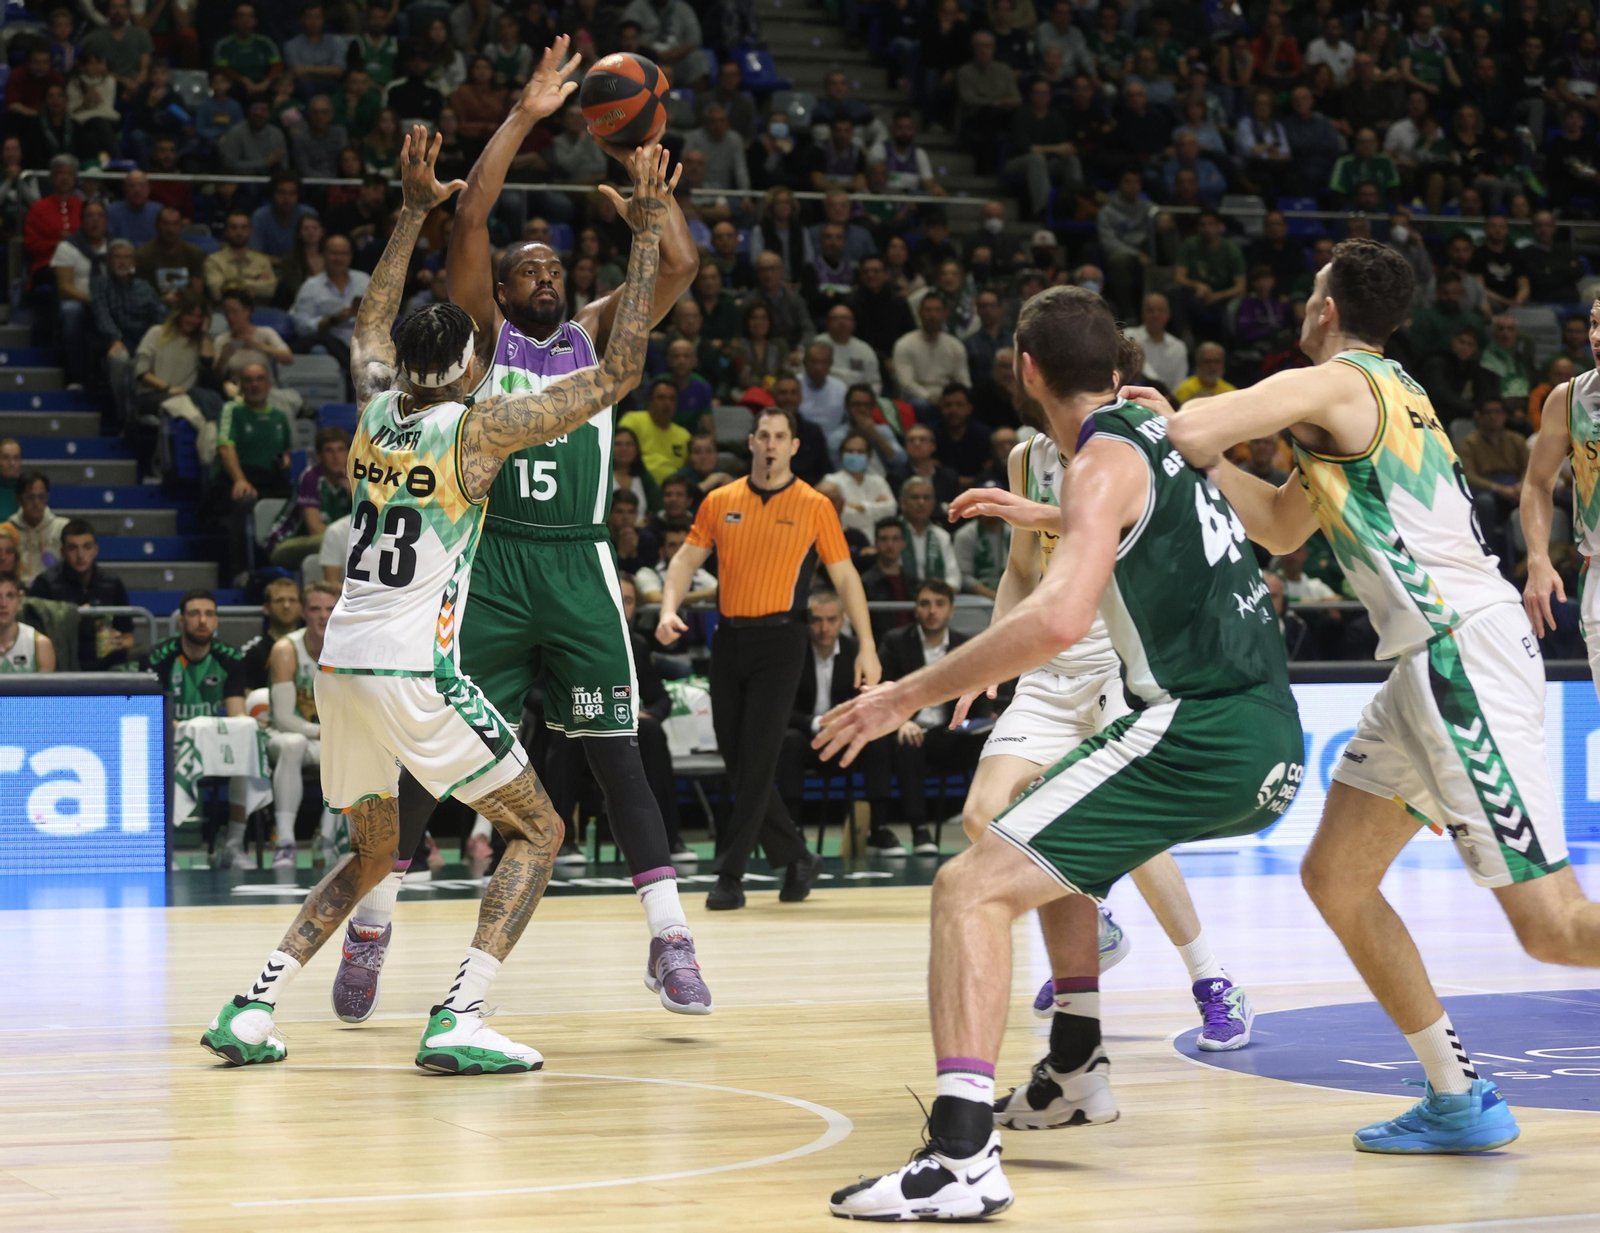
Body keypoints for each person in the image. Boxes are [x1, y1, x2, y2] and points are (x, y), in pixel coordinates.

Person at [816, 287, 1303, 1219]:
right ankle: (1077, 1060)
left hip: (1200, 723)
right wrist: (1038, 518)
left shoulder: (1097, 459)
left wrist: (903, 694)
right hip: (1264, 724)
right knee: (1052, 846)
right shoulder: (1163, 432)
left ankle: (961, 1155)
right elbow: (1162, 523)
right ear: (1117, 368)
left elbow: (1061, 614)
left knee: (968, 885)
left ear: (1024, 370)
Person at [201, 124, 678, 1072]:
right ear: (466, 364)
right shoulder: (481, 431)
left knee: (375, 848)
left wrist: (413, 211)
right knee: (539, 828)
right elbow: (620, 371)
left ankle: (251, 1005)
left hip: (340, 666)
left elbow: (370, 320)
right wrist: (647, 233)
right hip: (417, 669)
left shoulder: (373, 406)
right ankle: (460, 1012)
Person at [1157, 238, 1600, 1156]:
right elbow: (1280, 528)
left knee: (1553, 929)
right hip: (1422, 669)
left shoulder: (1337, 382)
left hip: (1462, 658)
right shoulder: (1378, 396)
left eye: (1309, 294)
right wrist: (1201, 458)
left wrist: (1160, 413)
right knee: (1335, 876)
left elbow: (1194, 432)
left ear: (1326, 311)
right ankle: (1457, 1095)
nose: (1303, 307)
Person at [337, 47, 712, 1019]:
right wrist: (524, 114)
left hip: (579, 562)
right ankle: (374, 920)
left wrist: (649, 182)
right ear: (500, 295)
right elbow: (469, 217)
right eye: (524, 268)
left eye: (553, 264)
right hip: (492, 561)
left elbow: (678, 264)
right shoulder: (481, 345)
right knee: (433, 761)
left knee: (612, 746)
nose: (541, 272)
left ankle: (669, 937)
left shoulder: (595, 335)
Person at [657, 405, 881, 909]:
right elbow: (683, 561)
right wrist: (669, 608)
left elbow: (845, 578)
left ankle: (730, 875)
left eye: (781, 436)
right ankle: (797, 855)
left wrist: (866, 645)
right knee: (738, 759)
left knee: (757, 757)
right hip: (729, 640)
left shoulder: (814, 504)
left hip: (783, 641)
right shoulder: (720, 500)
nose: (772, 444)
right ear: (752, 442)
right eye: (764, 435)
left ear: (794, 446)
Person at [779, 589, 898, 852]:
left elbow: (867, 698)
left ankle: (878, 828)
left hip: (847, 734)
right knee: (789, 742)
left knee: (877, 741)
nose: (824, 628)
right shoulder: (791, 652)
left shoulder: (857, 651)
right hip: (806, 735)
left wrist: (843, 724)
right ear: (806, 621)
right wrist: (815, 722)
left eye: (831, 620)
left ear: (843, 620)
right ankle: (793, 829)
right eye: (816, 620)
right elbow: (781, 706)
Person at [142, 590, 253, 867]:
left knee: (246, 749)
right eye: (194, 614)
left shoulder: (230, 658)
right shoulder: (157, 658)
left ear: (216, 620)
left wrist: (205, 731)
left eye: (209, 614)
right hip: (169, 741)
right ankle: (166, 846)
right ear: (181, 621)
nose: (202, 621)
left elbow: (237, 715)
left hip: (214, 741)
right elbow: (152, 715)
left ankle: (234, 843)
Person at [1524, 305, 1600, 683]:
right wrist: (1538, 559)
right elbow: (1538, 483)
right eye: (1594, 323)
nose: (1596, 336)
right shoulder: (1568, 399)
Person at [262, 582, 342, 869]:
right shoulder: (286, 649)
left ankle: (328, 837)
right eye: (315, 608)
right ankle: (285, 842)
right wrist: (322, 732)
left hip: (330, 741)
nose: (323, 616)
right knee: (293, 745)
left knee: (352, 749)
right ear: (302, 612)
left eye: (330, 609)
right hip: (286, 736)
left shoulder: (348, 650)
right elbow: (283, 718)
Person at [26, 519, 134, 670]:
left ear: (96, 549)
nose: (80, 555)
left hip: (106, 667)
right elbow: (32, 636)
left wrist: (122, 641)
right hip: (62, 666)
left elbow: (128, 636)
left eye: (86, 547)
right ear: (62, 552)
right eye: (73, 548)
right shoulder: (45, 584)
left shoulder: (113, 583)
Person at [823, 431, 896, 540]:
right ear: (842, 454)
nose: (855, 455)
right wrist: (875, 506)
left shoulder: (878, 481)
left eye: (860, 452)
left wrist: (862, 506)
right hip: (845, 541)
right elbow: (843, 516)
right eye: (850, 451)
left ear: (868, 455)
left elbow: (891, 510)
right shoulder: (831, 482)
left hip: (877, 545)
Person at [0, 472, 69, 584]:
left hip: (55, 591)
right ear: (18, 499)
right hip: (16, 591)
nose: (36, 503)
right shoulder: (6, 531)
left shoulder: (63, 528)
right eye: (30, 497)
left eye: (41, 497)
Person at [620, 379, 692, 483]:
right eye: (661, 397)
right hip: (638, 484)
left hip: (673, 491)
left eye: (672, 399)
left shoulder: (684, 435)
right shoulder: (632, 421)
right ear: (650, 401)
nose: (667, 403)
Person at [0, 571, 55, 673]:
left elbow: (43, 688)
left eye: (10, 596)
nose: (3, 604)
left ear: (19, 599)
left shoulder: (40, 645)